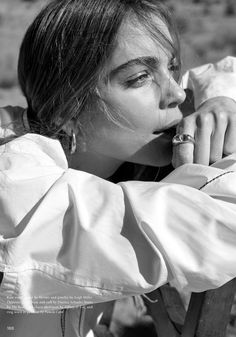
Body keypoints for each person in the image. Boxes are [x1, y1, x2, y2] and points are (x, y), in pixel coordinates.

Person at [1, 0, 236, 336]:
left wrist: (221, 103)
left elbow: (223, 72)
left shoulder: (84, 151)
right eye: (141, 77)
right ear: (68, 107)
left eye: (171, 68)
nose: (176, 94)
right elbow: (221, 221)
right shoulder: (18, 191)